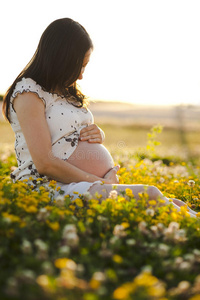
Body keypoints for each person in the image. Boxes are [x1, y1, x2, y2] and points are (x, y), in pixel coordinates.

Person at [2, 18, 197, 217]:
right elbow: (45, 163)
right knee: (152, 195)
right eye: (79, 66)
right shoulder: (28, 93)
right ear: (60, 59)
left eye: (84, 66)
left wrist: (97, 133)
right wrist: (102, 183)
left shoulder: (64, 91)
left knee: (173, 204)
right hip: (48, 187)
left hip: (80, 183)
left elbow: (67, 131)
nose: (80, 76)